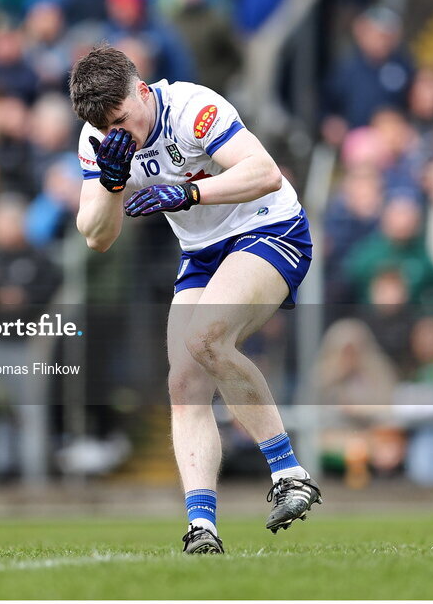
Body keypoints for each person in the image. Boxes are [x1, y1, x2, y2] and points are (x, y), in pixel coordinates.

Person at [71, 45, 320, 555]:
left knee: (206, 336)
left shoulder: (193, 109)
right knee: (184, 380)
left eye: (122, 119)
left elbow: (265, 172)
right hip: (203, 252)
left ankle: (289, 473)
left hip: (268, 226)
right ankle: (201, 527)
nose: (118, 134)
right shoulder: (97, 138)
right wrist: (113, 184)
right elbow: (96, 236)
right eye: (106, 127)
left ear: (141, 90)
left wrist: (190, 194)